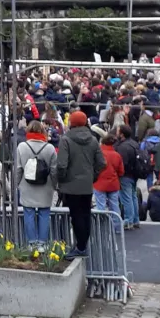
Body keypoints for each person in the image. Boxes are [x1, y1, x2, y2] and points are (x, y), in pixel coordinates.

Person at [55, 110, 106, 259]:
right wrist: (92, 176)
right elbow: (102, 163)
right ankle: (82, 245)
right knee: (85, 215)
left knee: (76, 215)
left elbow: (61, 164)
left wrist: (62, 179)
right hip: (86, 185)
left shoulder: (66, 140)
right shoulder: (93, 140)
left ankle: (81, 247)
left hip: (70, 185)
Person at [15, 121, 58, 247]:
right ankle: (42, 244)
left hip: (27, 186)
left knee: (28, 213)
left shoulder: (22, 147)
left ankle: (31, 243)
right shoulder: (49, 148)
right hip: (45, 187)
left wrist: (17, 184)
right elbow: (54, 170)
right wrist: (54, 185)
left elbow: (18, 169)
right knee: (44, 213)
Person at [95, 132, 125, 233]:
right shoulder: (117, 155)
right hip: (113, 183)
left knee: (101, 206)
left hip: (99, 183)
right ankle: (117, 227)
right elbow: (121, 171)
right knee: (114, 206)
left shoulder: (98, 154)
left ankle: (103, 228)